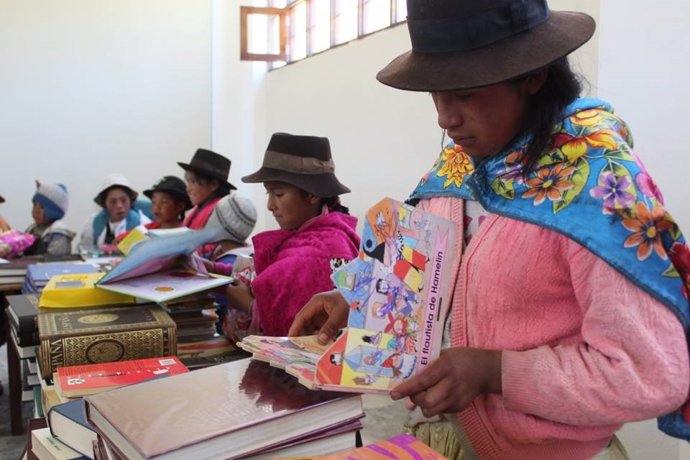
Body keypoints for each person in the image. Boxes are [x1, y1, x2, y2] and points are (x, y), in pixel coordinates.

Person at [288, 1, 690, 458]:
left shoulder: (597, 190)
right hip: (444, 439)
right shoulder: (460, 167)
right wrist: (359, 298)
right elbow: (433, 274)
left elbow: (652, 373)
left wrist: (497, 372)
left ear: (533, 75)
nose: (445, 118)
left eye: (465, 93)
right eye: (436, 94)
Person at [225, 133, 360, 338]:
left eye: (278, 194)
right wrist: (211, 269)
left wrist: (246, 303)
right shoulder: (327, 233)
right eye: (268, 193)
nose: (270, 205)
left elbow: (293, 334)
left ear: (312, 194)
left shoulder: (314, 254)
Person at [178, 148, 235, 258]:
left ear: (213, 185)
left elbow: (215, 248)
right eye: (188, 182)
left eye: (193, 182)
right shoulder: (198, 209)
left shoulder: (221, 212)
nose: (188, 189)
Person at [79, 173, 151, 250]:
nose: (119, 206)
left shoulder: (142, 223)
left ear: (130, 201)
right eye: (113, 202)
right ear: (104, 204)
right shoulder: (93, 222)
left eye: (124, 200)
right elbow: (84, 249)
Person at [202, 194, 257, 276]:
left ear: (221, 225)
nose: (208, 219)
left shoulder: (232, 262)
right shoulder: (220, 249)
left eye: (213, 215)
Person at [24, 181, 75, 256]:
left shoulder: (58, 233)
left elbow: (53, 262)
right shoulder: (32, 229)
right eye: (34, 205)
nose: (36, 211)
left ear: (54, 211)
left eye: (42, 207)